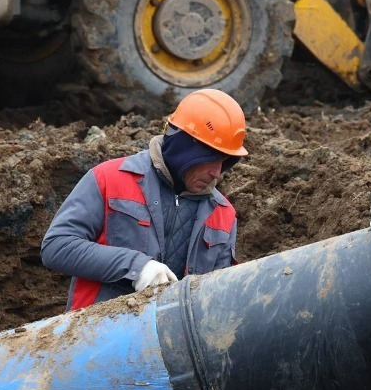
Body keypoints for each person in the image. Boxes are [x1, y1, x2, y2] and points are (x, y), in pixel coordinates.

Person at [42, 88, 247, 311]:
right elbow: (57, 246)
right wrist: (136, 267)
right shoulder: (110, 178)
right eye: (211, 159)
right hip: (95, 329)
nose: (217, 173)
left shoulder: (223, 214)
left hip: (171, 333)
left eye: (224, 161)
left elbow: (217, 299)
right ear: (185, 148)